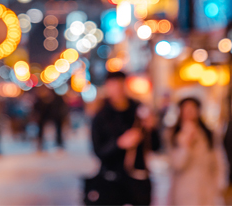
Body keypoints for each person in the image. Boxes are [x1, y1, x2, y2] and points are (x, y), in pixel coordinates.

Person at [89, 71, 160, 206]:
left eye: (121, 84)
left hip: (138, 177)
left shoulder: (139, 110)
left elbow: (156, 146)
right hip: (111, 178)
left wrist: (152, 128)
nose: (118, 89)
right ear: (107, 86)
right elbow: (98, 151)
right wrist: (119, 144)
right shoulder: (101, 115)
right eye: (113, 85)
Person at [168, 97, 224, 205]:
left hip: (207, 190)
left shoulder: (208, 134)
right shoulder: (174, 135)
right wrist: (185, 145)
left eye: (192, 108)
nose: (189, 112)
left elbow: (219, 161)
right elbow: (177, 165)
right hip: (184, 193)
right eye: (186, 109)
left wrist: (219, 185)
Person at [33, 85, 68, 150]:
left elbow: (62, 106)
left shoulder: (57, 97)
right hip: (44, 116)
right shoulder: (40, 98)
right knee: (41, 129)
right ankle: (40, 143)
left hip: (56, 115)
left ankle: (59, 142)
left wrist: (62, 115)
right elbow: (36, 107)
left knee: (58, 129)